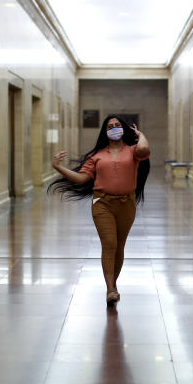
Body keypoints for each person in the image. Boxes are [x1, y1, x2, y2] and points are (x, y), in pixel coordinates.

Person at [49, 115, 150, 306]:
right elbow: (81, 179)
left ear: (124, 129)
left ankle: (113, 284)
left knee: (120, 245)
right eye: (110, 126)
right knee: (109, 243)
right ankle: (111, 289)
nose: (114, 128)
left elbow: (144, 149)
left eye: (117, 125)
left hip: (127, 204)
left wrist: (139, 134)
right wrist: (58, 168)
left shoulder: (133, 151)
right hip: (102, 204)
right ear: (105, 131)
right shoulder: (96, 156)